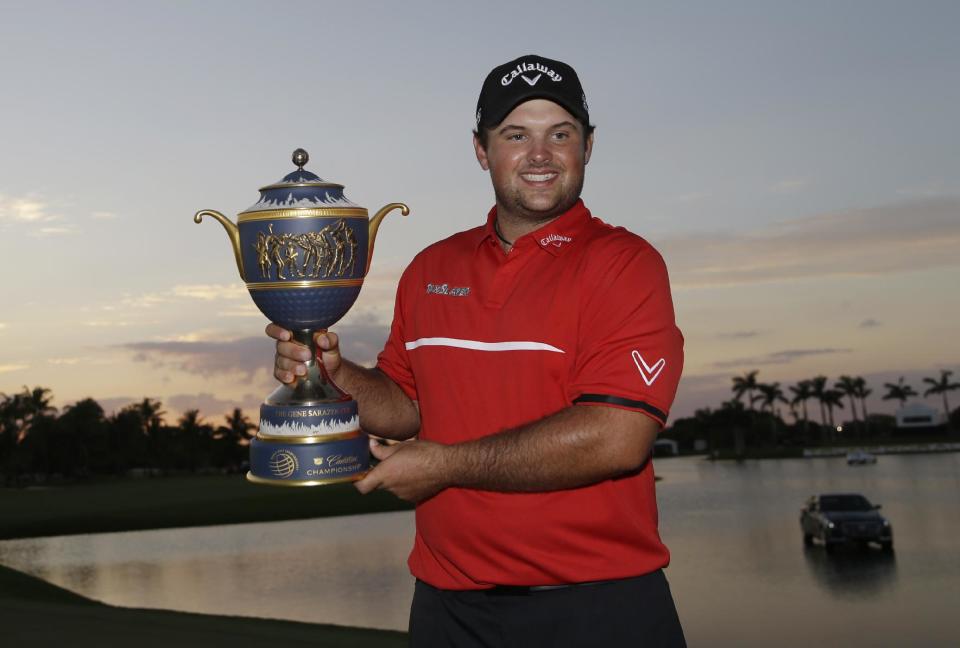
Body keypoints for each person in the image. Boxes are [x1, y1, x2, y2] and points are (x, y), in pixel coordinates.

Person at [268, 54, 686, 647]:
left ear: (587, 147)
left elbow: (616, 439)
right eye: (516, 135)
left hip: (599, 608)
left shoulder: (625, 264)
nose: (539, 155)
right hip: (450, 612)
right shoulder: (431, 268)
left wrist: (445, 467)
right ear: (481, 150)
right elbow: (405, 406)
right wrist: (334, 375)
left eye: (559, 135)